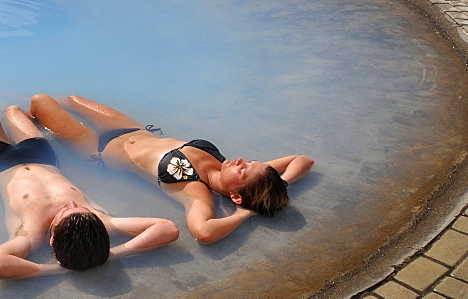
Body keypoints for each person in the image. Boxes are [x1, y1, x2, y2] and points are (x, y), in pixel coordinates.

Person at [29, 94, 313, 244]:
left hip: (97, 151)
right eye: (248, 162)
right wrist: (283, 182)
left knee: (40, 102)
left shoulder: (195, 193)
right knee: (71, 99)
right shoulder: (228, 165)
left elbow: (203, 232)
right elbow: (302, 159)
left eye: (243, 170)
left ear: (236, 196)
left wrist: (245, 213)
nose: (241, 161)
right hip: (130, 128)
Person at [0, 87, 178, 279]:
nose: (72, 205)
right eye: (80, 208)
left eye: (66, 212)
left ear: (52, 240)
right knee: (12, 110)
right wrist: (110, 255)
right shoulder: (102, 222)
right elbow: (166, 228)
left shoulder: (30, 236)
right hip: (42, 157)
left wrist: (56, 269)